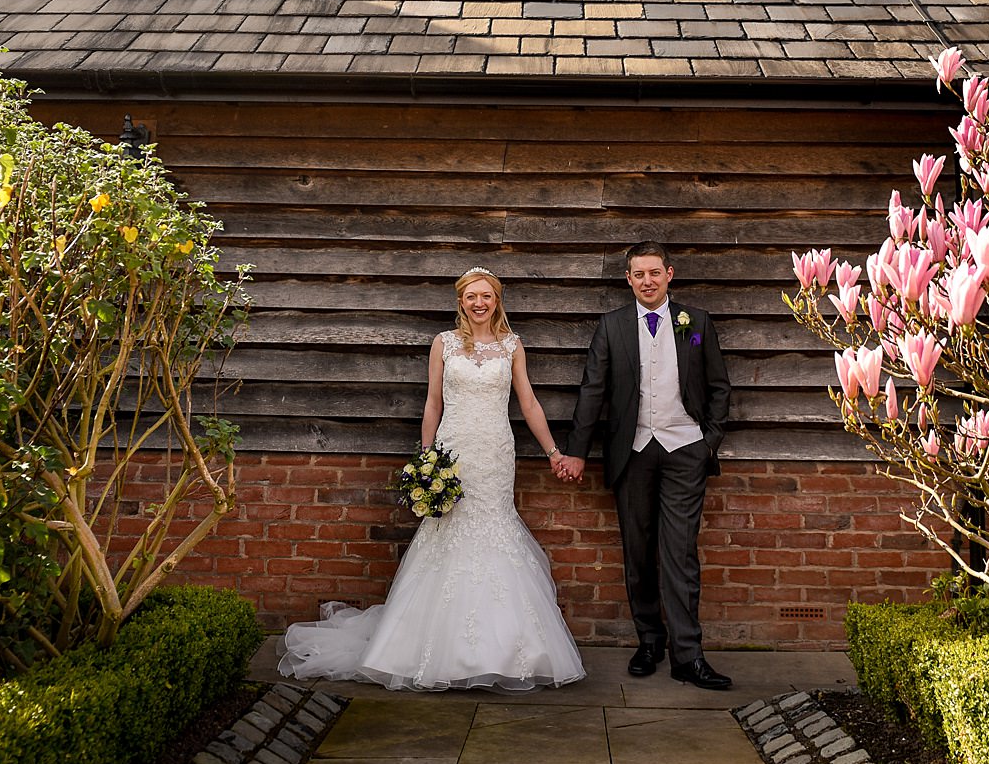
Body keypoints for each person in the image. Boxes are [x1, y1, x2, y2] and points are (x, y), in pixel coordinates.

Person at [278, 267, 585, 691]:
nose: (479, 303)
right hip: (452, 452)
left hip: (495, 453)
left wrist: (553, 452)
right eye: (471, 297)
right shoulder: (443, 344)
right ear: (461, 301)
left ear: (497, 301)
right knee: (447, 534)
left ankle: (509, 650)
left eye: (487, 296)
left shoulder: (512, 345)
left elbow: (528, 401)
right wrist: (427, 459)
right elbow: (433, 403)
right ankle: (427, 649)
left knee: (495, 530)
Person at [556, 242, 733, 690]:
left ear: (669, 274)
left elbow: (718, 387)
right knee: (638, 553)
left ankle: (688, 656)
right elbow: (592, 389)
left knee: (679, 553)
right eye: (639, 274)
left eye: (655, 272)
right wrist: (576, 450)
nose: (648, 281)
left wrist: (706, 442)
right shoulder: (612, 326)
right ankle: (650, 641)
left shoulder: (696, 322)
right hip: (632, 452)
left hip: (684, 450)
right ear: (628, 279)